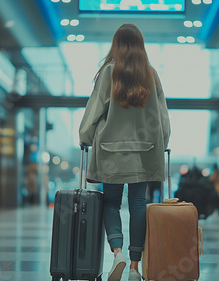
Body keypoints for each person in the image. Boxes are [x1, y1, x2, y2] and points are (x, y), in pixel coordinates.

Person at [79, 24, 170, 281]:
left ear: (116, 44)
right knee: (138, 203)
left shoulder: (108, 72)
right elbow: (162, 116)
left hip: (111, 151)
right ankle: (134, 267)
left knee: (111, 202)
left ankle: (117, 253)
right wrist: (163, 143)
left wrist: (84, 137)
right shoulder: (151, 75)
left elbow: (94, 110)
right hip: (144, 151)